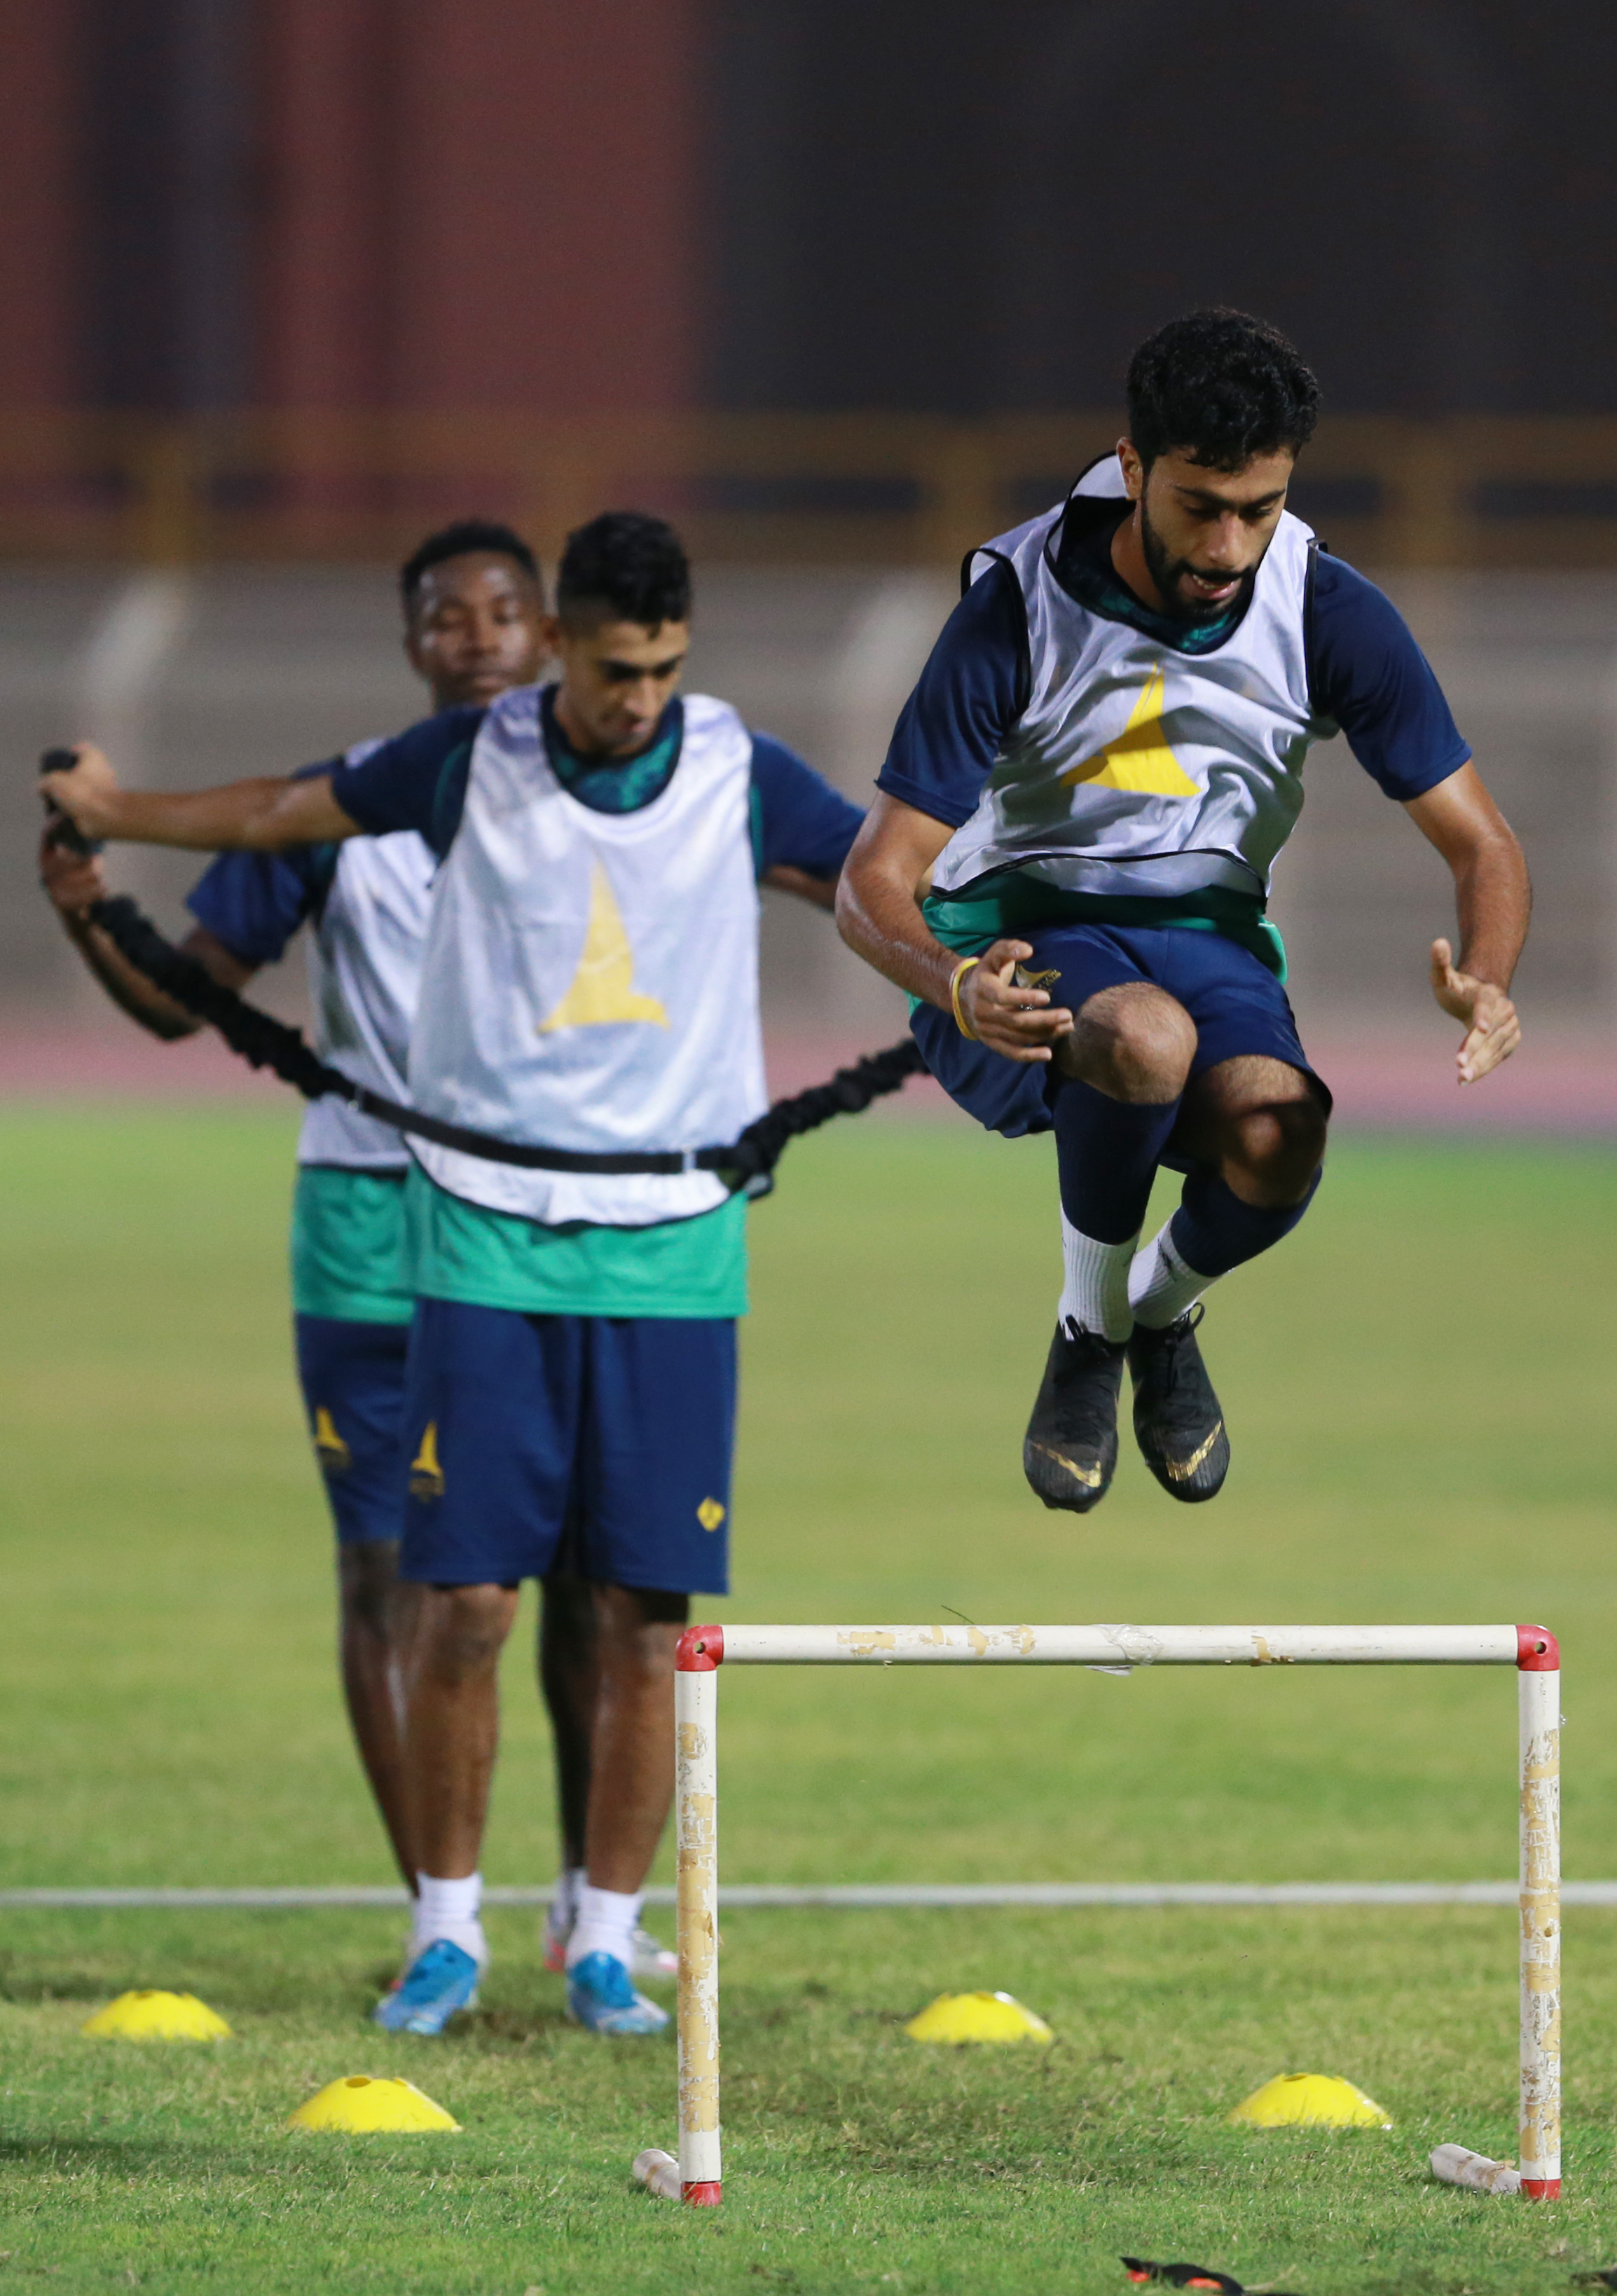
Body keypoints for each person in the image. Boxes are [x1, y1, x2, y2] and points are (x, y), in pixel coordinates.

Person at [41, 509, 865, 2037]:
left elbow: (888, 876)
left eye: (663, 669)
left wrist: (1004, 948)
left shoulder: (738, 768)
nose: (638, 697)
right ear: (544, 648)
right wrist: (123, 822)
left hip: (670, 1241)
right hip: (454, 1225)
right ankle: (442, 1927)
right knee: (454, 1594)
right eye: (613, 667)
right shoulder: (441, 768)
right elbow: (273, 830)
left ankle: (601, 1937)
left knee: (628, 1603)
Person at [836, 308, 1529, 1515]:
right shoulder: (1018, 600)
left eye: (1258, 507)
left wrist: (1490, 973)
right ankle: (1085, 1334)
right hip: (1010, 941)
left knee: (1279, 1130)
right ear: (1132, 464)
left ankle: (1143, 1316)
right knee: (1145, 1039)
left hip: (1206, 938)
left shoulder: (1324, 605)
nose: (1228, 542)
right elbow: (869, 882)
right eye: (1200, 503)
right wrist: (948, 983)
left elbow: (1483, 841)